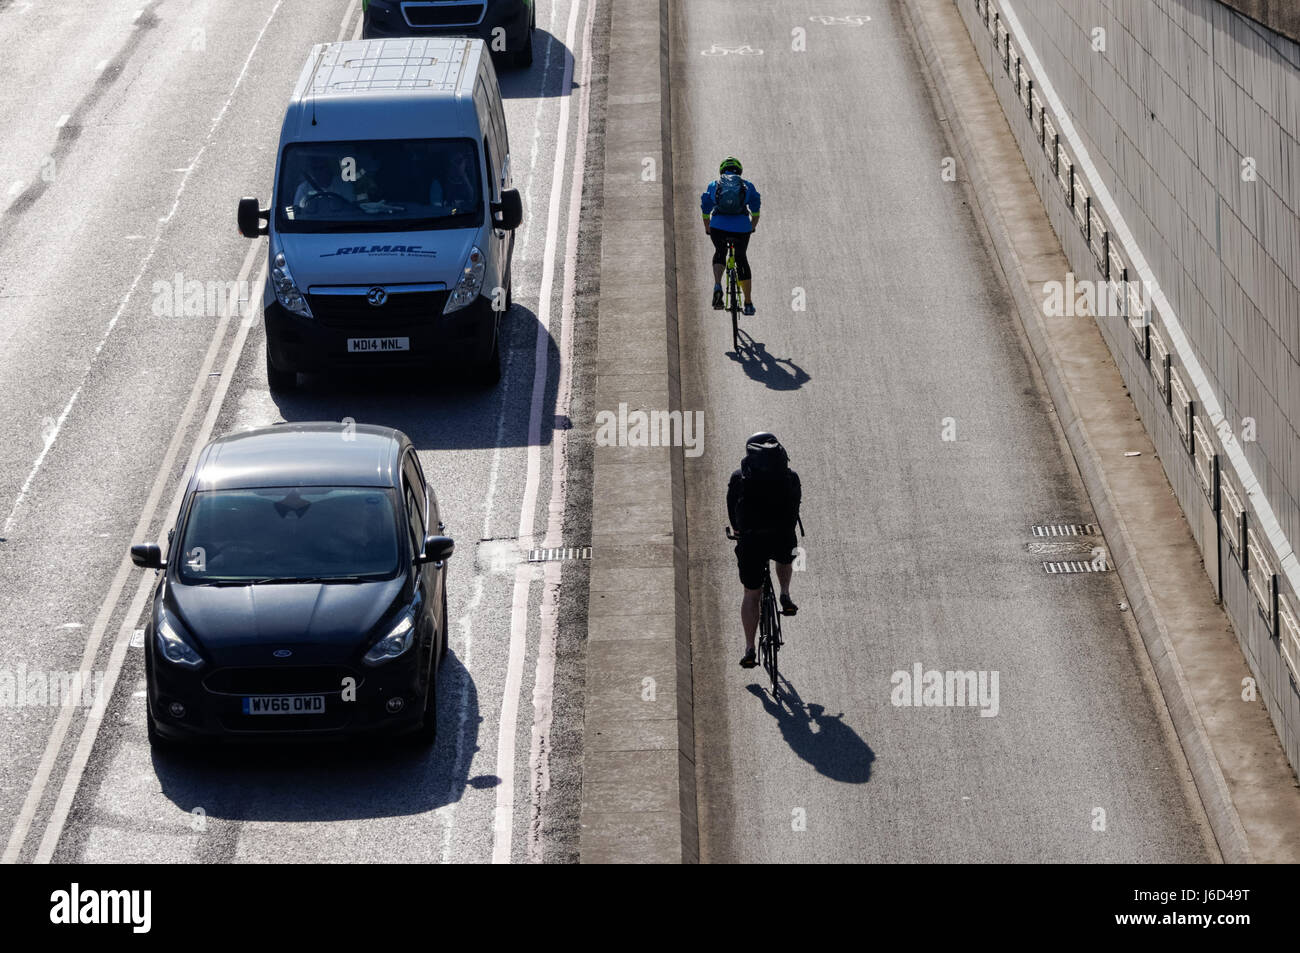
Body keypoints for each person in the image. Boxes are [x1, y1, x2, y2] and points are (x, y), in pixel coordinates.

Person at [726, 432, 801, 668]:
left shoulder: (740, 477)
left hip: (751, 542)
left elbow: (732, 510)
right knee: (784, 557)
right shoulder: (790, 476)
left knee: (751, 593)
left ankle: (750, 648)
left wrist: (738, 532)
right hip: (781, 536)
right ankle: (785, 594)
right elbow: (795, 507)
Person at [701, 156, 761, 315]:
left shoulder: (714, 185)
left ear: (722, 171)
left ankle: (717, 286)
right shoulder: (747, 186)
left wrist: (708, 227)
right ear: (739, 171)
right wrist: (751, 227)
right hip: (741, 228)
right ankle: (748, 303)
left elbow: (705, 208)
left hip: (718, 227)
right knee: (741, 259)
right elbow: (756, 211)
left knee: (720, 252)